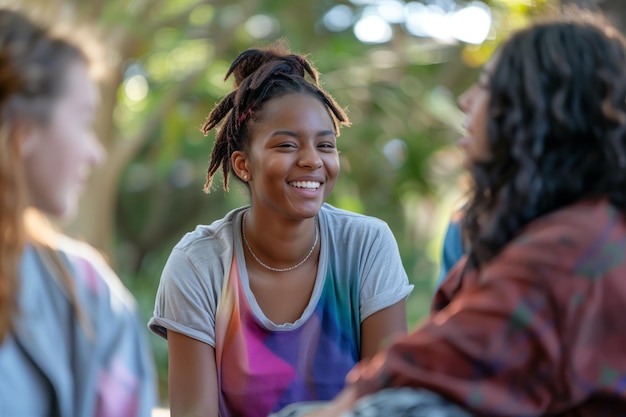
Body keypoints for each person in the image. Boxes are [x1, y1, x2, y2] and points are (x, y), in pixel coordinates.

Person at [278, 9, 626, 417]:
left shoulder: (581, 241)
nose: (466, 101)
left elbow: (447, 354)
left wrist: (339, 407)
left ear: (533, 112)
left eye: (485, 86)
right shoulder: (503, 226)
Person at [148, 42, 414, 417]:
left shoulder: (365, 245)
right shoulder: (199, 264)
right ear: (243, 165)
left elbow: (387, 403)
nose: (312, 160)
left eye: (325, 144)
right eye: (287, 144)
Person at [0, 7, 157, 417]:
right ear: (22, 130)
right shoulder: (85, 294)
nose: (95, 152)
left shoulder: (88, 293)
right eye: (84, 120)